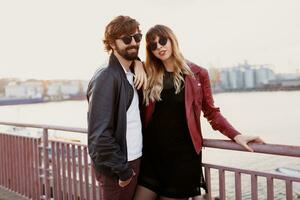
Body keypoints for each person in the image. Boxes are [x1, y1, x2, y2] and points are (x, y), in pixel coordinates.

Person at [134, 24, 264, 200]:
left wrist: (236, 135)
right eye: (153, 45)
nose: (159, 47)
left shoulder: (198, 74)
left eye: (162, 41)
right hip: (152, 156)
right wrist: (137, 63)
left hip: (182, 159)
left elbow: (211, 112)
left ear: (172, 40)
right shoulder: (148, 72)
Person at [87, 15, 146, 200]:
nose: (133, 43)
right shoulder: (107, 76)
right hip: (119, 167)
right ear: (112, 44)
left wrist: (139, 63)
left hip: (133, 159)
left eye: (137, 37)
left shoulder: (129, 73)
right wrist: (123, 171)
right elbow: (99, 135)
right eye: (126, 39)